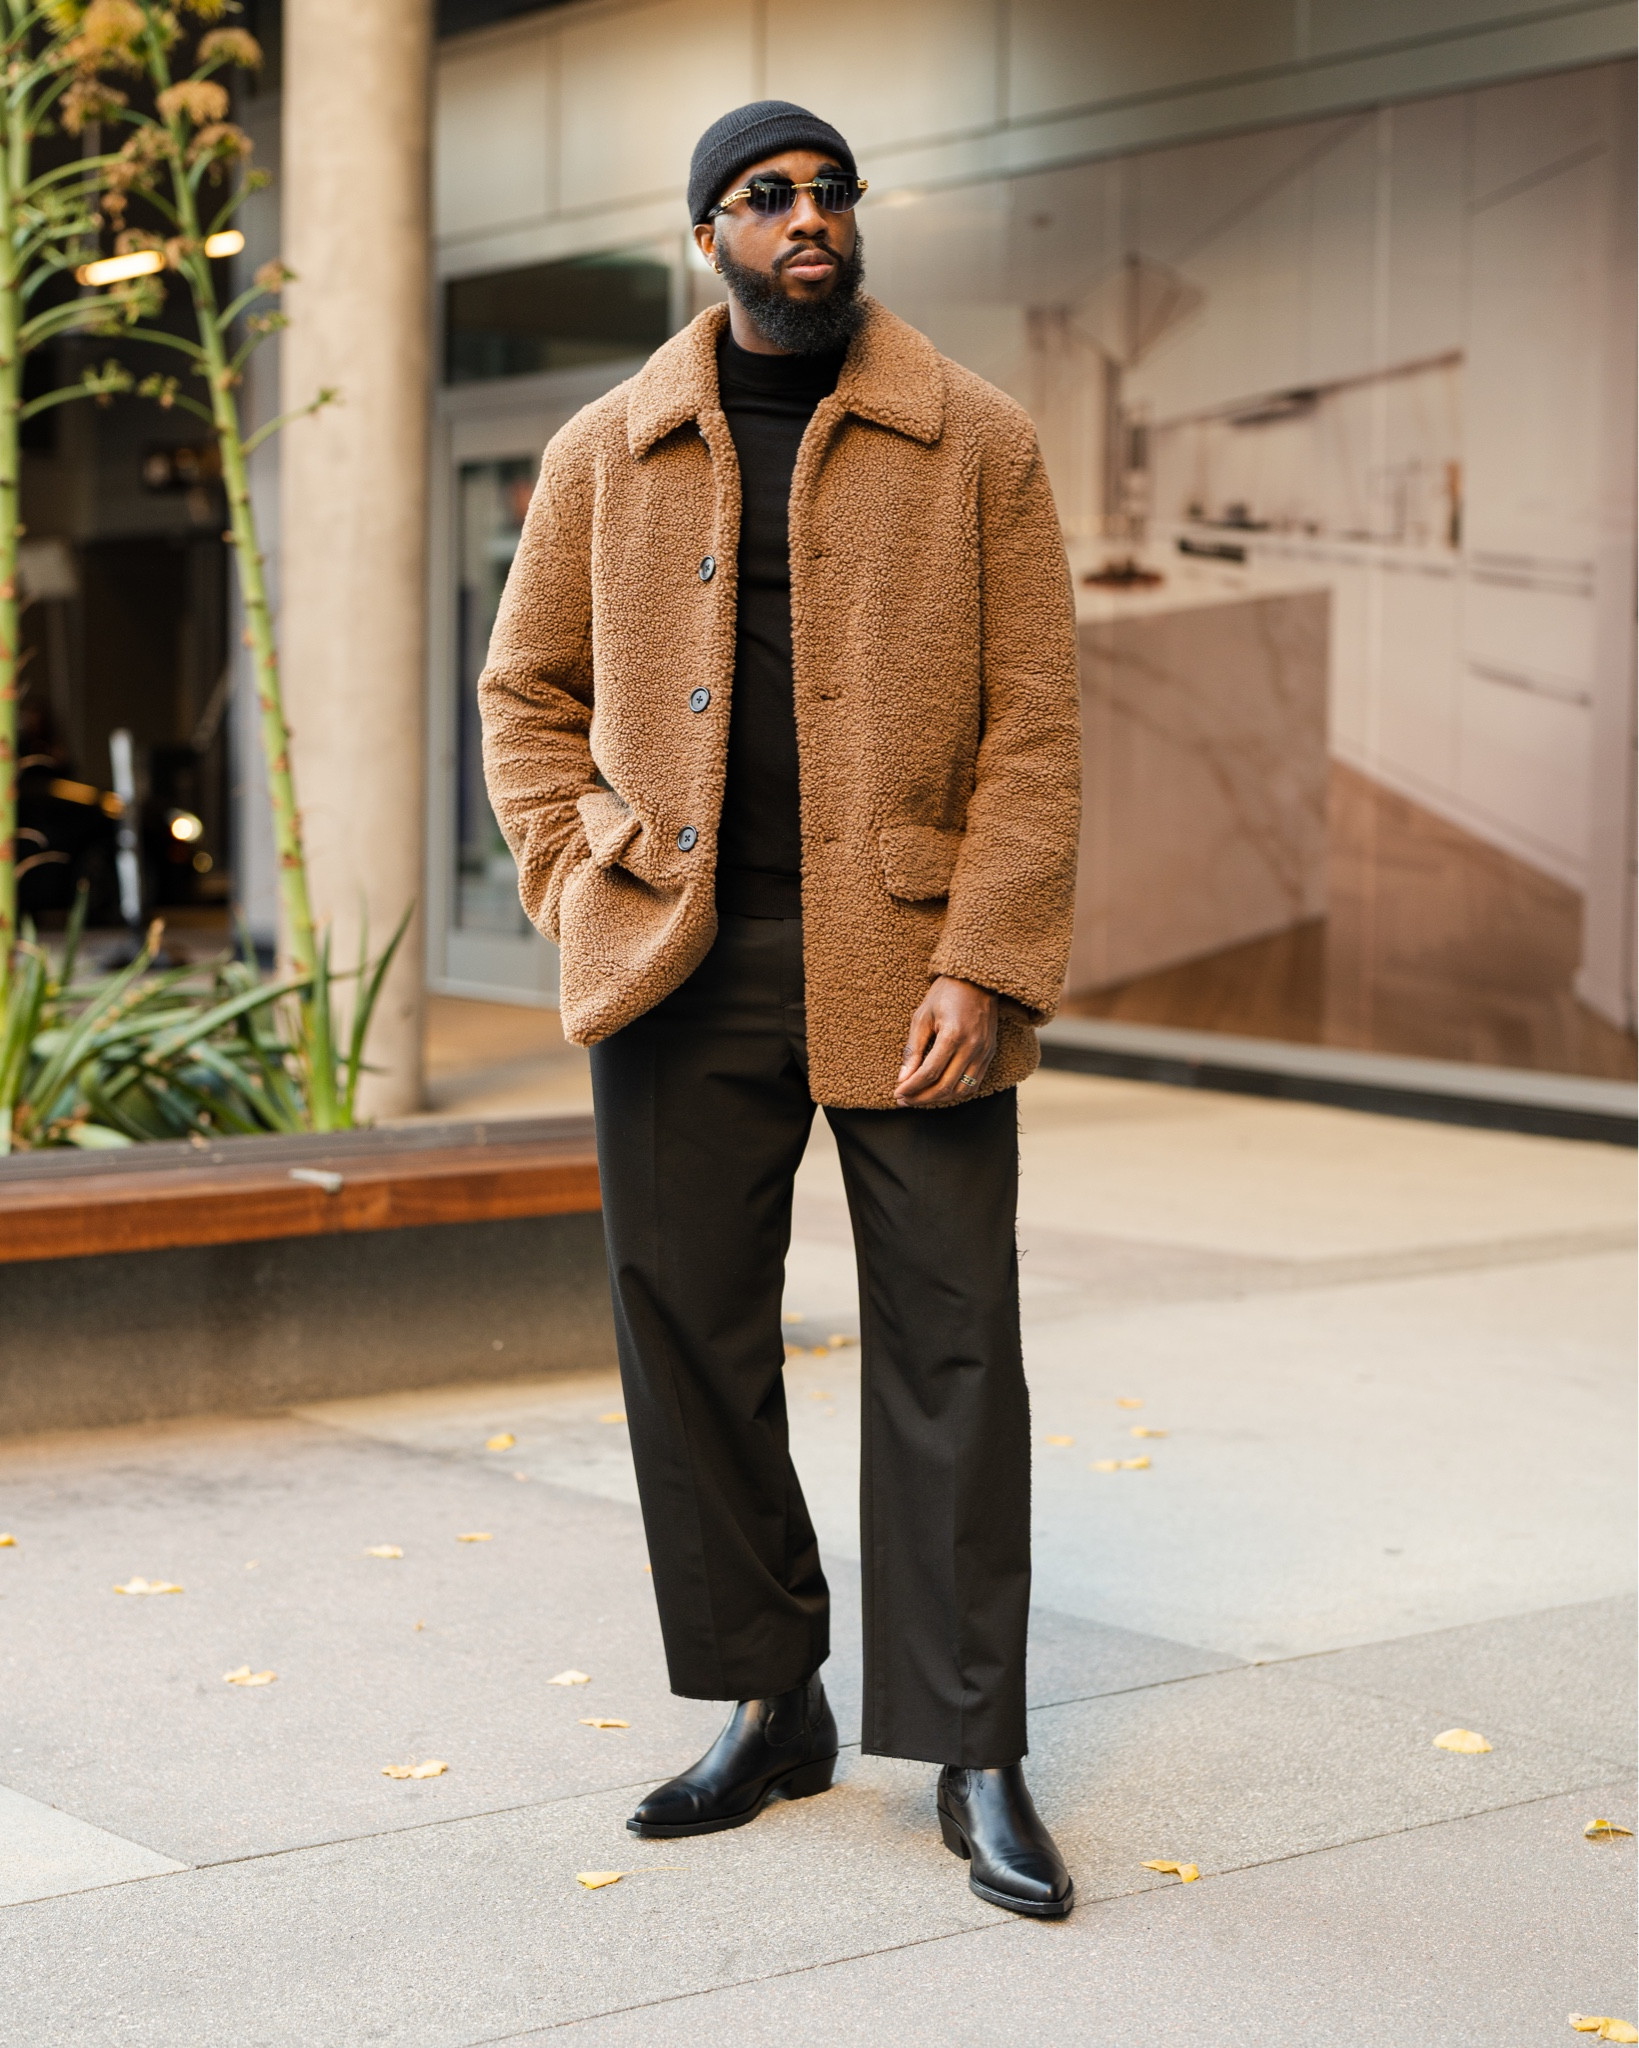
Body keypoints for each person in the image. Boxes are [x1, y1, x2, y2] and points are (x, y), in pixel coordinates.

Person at [479, 100, 1082, 1919]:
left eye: (829, 194)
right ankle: (772, 1699)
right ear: (706, 238)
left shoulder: (975, 440)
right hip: (679, 961)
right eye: (768, 198)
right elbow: (525, 695)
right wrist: (578, 874)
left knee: (956, 1349)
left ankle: (975, 1747)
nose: (807, 220)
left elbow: (1037, 734)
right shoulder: (614, 446)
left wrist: (986, 954)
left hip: (910, 961)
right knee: (692, 1341)